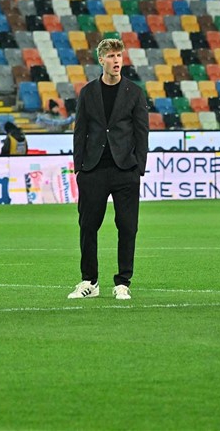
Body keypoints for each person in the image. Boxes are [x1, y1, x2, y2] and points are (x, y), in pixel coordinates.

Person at [68, 37, 148, 301]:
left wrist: (139, 168)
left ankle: (123, 282)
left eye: (119, 56)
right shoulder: (88, 92)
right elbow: (80, 131)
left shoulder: (134, 92)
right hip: (93, 169)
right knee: (88, 226)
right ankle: (89, 281)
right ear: (101, 59)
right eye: (111, 56)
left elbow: (141, 132)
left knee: (127, 227)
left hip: (125, 169)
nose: (116, 61)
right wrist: (79, 168)